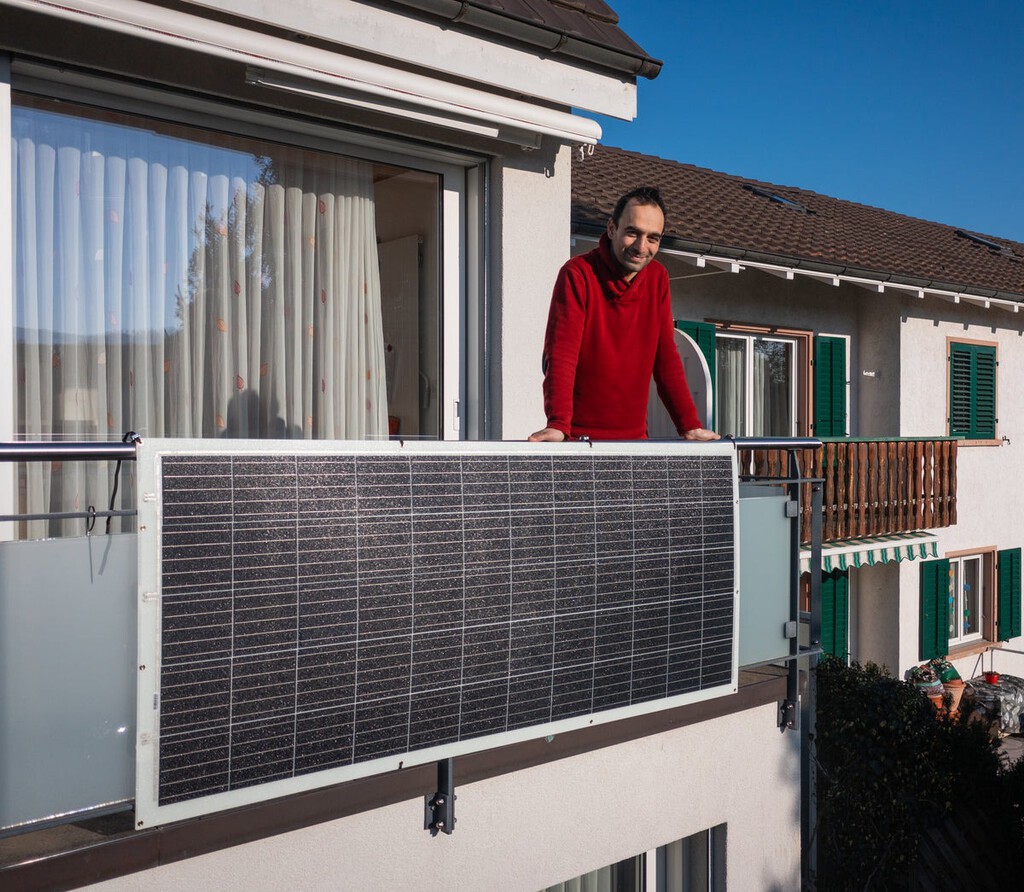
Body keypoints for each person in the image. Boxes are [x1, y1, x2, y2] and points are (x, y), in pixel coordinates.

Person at [528, 186, 720, 442]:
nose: (641, 246)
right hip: (578, 442)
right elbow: (562, 354)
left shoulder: (658, 278)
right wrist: (558, 424)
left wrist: (689, 425)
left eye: (653, 238)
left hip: (634, 443)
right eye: (633, 233)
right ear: (611, 229)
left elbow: (665, 358)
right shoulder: (578, 274)